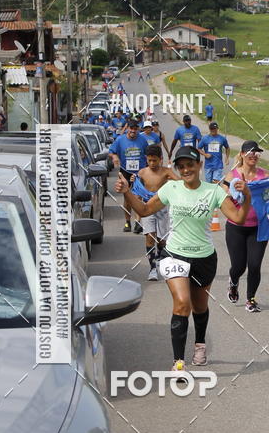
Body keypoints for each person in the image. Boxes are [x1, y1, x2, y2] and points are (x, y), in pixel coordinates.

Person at [116, 145, 252, 374]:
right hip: (175, 255)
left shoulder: (214, 191)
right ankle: (178, 362)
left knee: (200, 307)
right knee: (182, 303)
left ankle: (200, 345)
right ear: (177, 169)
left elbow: (238, 217)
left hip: (204, 258)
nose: (186, 170)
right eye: (181, 167)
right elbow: (145, 210)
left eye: (190, 165)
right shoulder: (172, 188)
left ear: (199, 165)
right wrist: (127, 192)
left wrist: (247, 196)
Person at [223, 141, 269, 312]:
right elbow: (221, 195)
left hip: (258, 228)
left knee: (254, 265)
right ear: (242, 154)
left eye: (257, 153)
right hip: (236, 228)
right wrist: (233, 193)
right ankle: (233, 282)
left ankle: (251, 300)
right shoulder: (232, 175)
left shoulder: (264, 175)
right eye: (250, 152)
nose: (254, 155)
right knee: (238, 266)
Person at [130, 144, 178, 280]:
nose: (152, 163)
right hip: (147, 208)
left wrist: (175, 184)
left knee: (161, 240)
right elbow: (136, 192)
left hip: (162, 207)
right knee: (150, 237)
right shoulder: (142, 173)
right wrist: (132, 182)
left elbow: (180, 182)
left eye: (155, 160)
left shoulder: (166, 172)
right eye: (149, 160)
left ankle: (161, 262)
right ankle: (152, 268)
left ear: (160, 159)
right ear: (146, 159)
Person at [108, 119, 151, 232]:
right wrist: (115, 157)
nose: (133, 131)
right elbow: (111, 151)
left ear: (138, 129)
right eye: (131, 128)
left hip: (139, 172)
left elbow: (148, 154)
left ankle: (138, 222)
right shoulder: (120, 140)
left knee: (138, 197)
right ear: (127, 128)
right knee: (127, 198)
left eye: (135, 129)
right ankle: (127, 222)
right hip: (125, 171)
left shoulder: (142, 140)